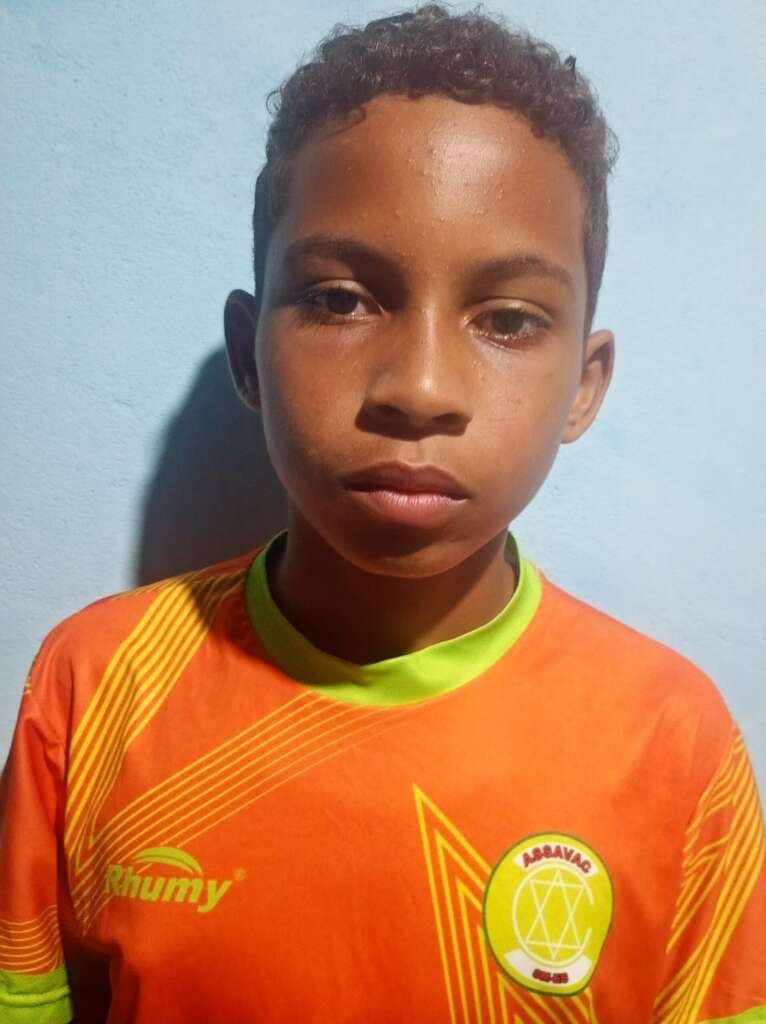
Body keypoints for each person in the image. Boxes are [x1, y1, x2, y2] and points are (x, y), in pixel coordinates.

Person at [1, 4, 764, 1022]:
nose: (420, 387)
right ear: (248, 355)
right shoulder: (92, 688)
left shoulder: (674, 746)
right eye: (340, 299)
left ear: (584, 387)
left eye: (507, 319)